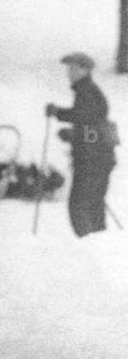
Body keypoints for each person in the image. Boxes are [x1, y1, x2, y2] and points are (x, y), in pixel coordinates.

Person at [46, 52, 117, 237]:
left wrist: (60, 116)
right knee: (93, 204)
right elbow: (90, 126)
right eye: (68, 68)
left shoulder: (86, 91)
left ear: (85, 70)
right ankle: (97, 242)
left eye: (73, 68)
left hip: (92, 159)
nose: (68, 72)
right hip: (99, 157)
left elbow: (87, 122)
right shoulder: (87, 90)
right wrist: (74, 135)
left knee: (79, 205)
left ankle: (88, 243)